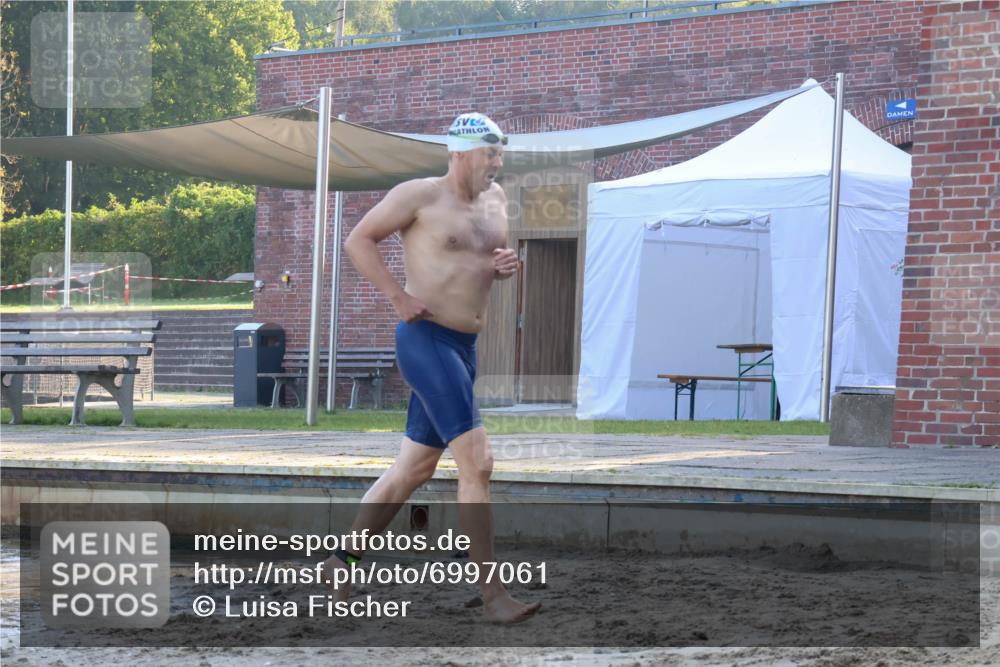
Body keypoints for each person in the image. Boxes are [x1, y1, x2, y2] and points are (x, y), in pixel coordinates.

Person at [321, 112, 541, 624]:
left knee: (412, 470)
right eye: (491, 153)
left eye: (501, 152)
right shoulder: (418, 195)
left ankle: (341, 563)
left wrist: (506, 267)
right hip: (425, 340)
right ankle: (493, 596)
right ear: (461, 152)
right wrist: (396, 296)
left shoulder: (497, 200)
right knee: (478, 463)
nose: (498, 162)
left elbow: (484, 262)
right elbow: (359, 240)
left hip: (464, 347)